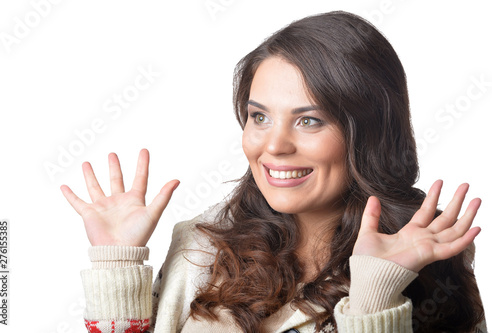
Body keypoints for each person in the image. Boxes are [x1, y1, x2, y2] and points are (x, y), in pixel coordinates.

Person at [60, 11, 486, 333]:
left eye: (309, 120)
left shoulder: (425, 260)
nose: (274, 146)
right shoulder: (200, 246)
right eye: (259, 117)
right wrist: (117, 263)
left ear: (369, 133)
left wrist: (375, 294)